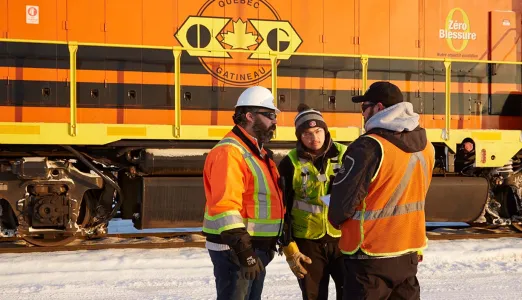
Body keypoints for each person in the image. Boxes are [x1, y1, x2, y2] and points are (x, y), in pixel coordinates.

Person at [328, 81, 435, 300]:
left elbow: (342, 206)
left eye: (363, 108)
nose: (363, 114)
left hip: (369, 256)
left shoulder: (368, 146)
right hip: (408, 252)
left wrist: (334, 218)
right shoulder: (427, 146)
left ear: (378, 107)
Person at [202, 86, 285, 300]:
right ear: (249, 116)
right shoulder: (230, 152)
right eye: (270, 115)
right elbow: (225, 207)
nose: (275, 121)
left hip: (252, 248)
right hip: (235, 251)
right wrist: (244, 253)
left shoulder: (257, 152)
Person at [278, 103, 347, 300]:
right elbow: (281, 206)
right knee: (313, 296)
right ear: (299, 136)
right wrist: (289, 247)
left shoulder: (346, 154)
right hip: (307, 242)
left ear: (326, 131)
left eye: (318, 131)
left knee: (351, 293)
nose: (314, 137)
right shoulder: (290, 162)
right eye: (307, 133)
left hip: (343, 239)